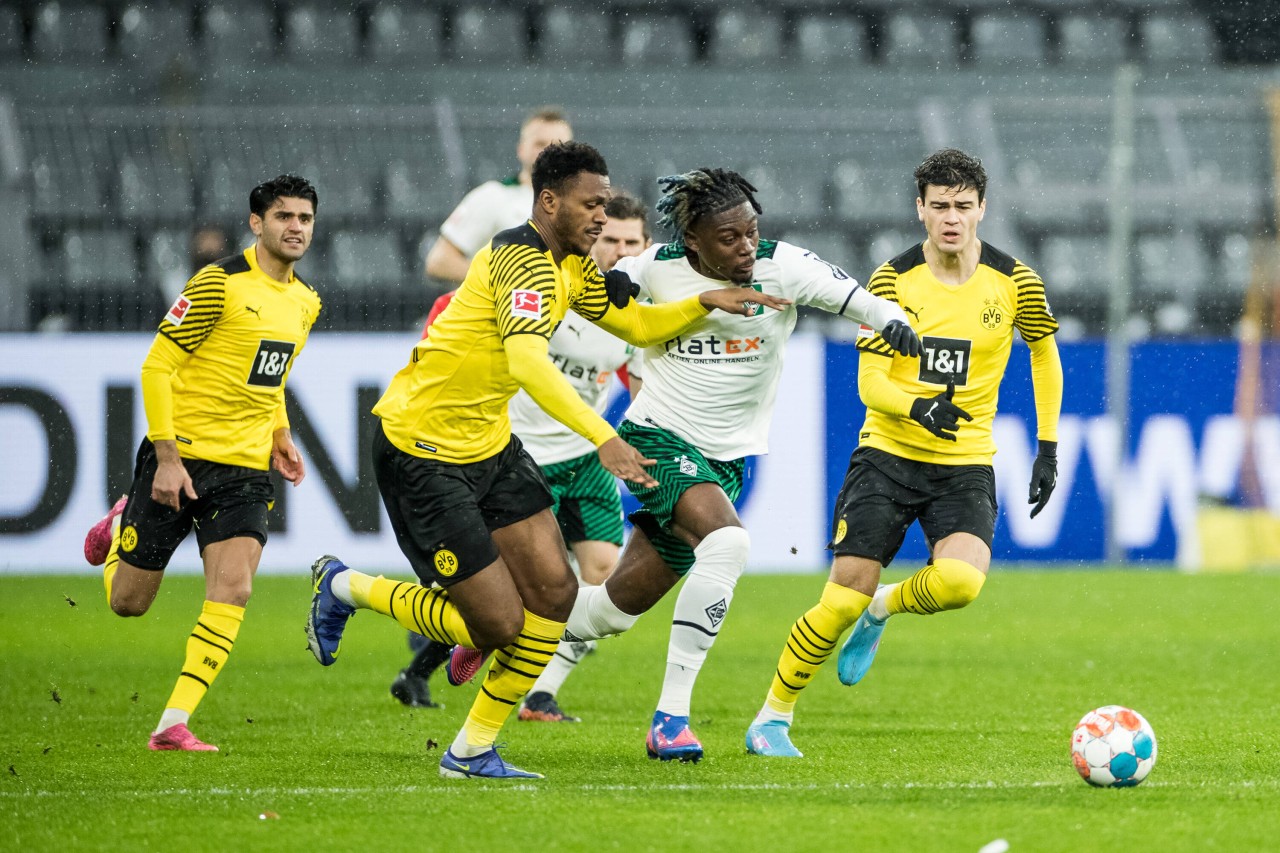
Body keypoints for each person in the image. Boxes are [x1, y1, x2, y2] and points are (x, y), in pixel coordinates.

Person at [303, 143, 789, 780]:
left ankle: (471, 753)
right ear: (549, 201)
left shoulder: (576, 266)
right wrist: (603, 435)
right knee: (500, 624)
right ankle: (344, 586)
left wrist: (701, 303)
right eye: (591, 204)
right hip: (421, 447)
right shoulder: (517, 259)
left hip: (489, 447)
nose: (600, 214)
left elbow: (635, 327)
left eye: (606, 202)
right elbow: (529, 362)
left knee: (557, 598)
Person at [558, 167, 922, 763]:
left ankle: (508, 629)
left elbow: (853, 297)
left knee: (608, 614)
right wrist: (615, 281)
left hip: (725, 461)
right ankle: (670, 719)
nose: (746, 247)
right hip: (656, 438)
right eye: (729, 238)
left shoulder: (784, 266)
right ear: (694, 241)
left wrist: (892, 323)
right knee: (728, 544)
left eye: (751, 232)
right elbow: (612, 276)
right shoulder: (659, 266)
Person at [743, 148, 1063, 758]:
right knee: (839, 600)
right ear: (920, 209)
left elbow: (1044, 355)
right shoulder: (890, 281)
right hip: (888, 454)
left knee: (962, 583)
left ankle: (884, 609)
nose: (951, 218)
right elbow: (870, 383)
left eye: (963, 207)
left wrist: (1047, 447)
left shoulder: (1015, 281)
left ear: (982, 209)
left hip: (965, 461)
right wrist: (918, 408)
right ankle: (772, 719)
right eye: (939, 205)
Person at [391, 192, 654, 719]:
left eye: (633, 241)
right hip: (522, 455)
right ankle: (418, 671)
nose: (622, 250)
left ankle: (539, 692)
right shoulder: (553, 284)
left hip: (585, 461)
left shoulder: (635, 304)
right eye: (612, 239)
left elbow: (641, 375)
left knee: (602, 577)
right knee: (510, 593)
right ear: (593, 238)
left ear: (647, 245)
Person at [82, 175, 321, 752]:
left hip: (244, 470)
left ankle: (172, 722)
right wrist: (166, 459)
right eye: (283, 216)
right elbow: (156, 366)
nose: (295, 227)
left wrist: (281, 433)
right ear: (256, 223)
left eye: (305, 218)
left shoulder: (307, 302)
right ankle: (118, 527)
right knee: (129, 603)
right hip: (182, 458)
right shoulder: (218, 284)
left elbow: (271, 378)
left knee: (234, 590)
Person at [423, 106, 573, 285]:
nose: (549, 152)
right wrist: (503, 281)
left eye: (558, 145)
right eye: (539, 144)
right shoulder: (493, 197)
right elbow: (440, 262)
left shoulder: (588, 206)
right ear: (521, 149)